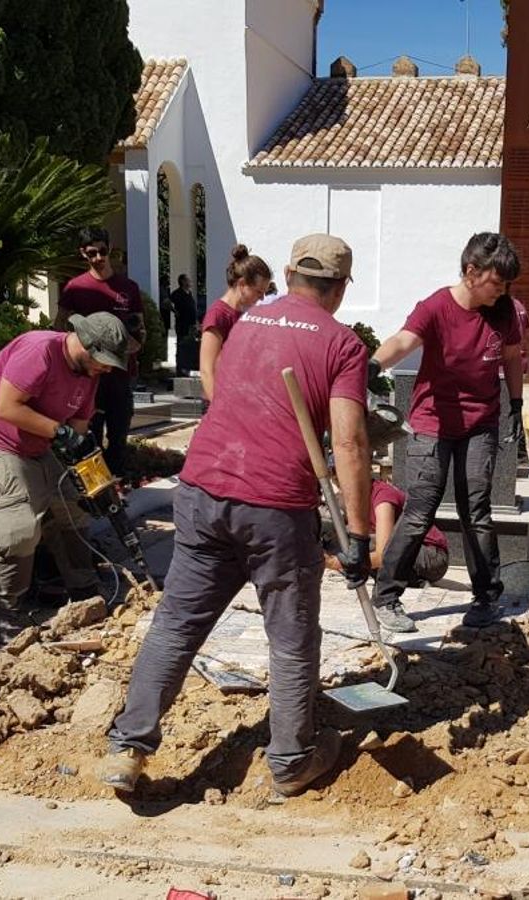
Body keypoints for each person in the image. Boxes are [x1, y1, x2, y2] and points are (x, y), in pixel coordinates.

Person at [96, 234, 371, 798]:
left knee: (177, 623)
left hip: (201, 490)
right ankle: (292, 761)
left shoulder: (245, 323)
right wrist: (360, 536)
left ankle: (129, 745)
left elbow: (223, 395)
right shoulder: (342, 344)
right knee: (291, 636)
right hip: (274, 505)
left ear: (289, 276)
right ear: (340, 288)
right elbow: (351, 445)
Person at [370, 233, 525, 633]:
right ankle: (386, 598)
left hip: (481, 424)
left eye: (507, 284)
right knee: (420, 510)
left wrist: (517, 404)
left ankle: (486, 597)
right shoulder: (437, 307)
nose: (502, 291)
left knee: (477, 511)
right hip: (432, 424)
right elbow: (404, 340)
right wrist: (372, 365)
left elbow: (511, 357)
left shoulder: (503, 311)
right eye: (496, 282)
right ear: (471, 272)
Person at [0, 312, 131, 611]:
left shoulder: (89, 375)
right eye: (104, 361)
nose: (107, 369)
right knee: (19, 529)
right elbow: (6, 407)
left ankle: (84, 591)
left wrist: (95, 481)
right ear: (87, 346)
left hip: (37, 447)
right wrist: (58, 431)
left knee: (74, 506)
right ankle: (7, 611)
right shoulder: (40, 350)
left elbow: (78, 431)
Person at [56, 228, 146, 477]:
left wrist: (130, 344)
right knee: (87, 433)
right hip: (87, 376)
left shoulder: (128, 287)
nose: (98, 258)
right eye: (92, 253)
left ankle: (116, 485)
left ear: (109, 249)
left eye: (102, 251)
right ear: (83, 253)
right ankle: (93, 486)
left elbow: (140, 330)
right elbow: (60, 328)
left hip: (121, 372)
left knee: (119, 433)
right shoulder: (75, 288)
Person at [326, 480, 451, 587]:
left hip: (433, 556)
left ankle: (405, 580)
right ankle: (406, 579)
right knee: (347, 540)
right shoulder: (351, 497)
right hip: (411, 553)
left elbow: (382, 555)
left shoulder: (383, 499)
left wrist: (335, 563)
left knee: (360, 544)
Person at [199, 244, 272, 400]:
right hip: (221, 406)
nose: (262, 298)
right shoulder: (218, 315)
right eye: (259, 291)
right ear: (242, 284)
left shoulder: (243, 315)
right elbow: (207, 369)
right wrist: (218, 409)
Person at [170, 274, 199, 372]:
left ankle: (187, 367)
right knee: (181, 345)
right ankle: (180, 368)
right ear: (182, 281)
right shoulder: (177, 293)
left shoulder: (189, 293)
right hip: (182, 324)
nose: (190, 282)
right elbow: (166, 302)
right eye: (188, 280)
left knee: (190, 345)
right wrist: (175, 311)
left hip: (191, 324)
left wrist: (196, 322)